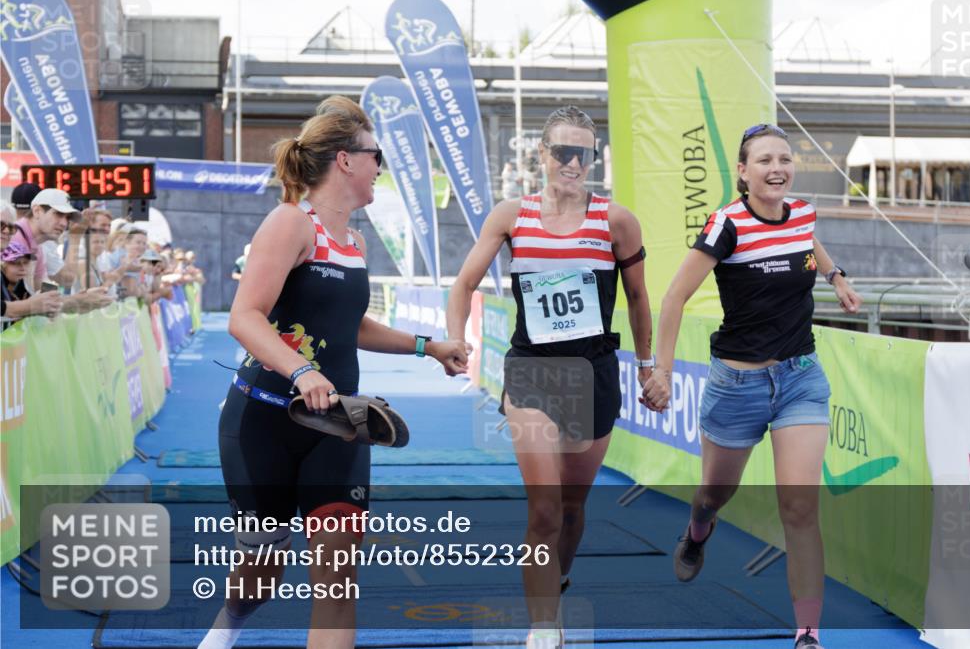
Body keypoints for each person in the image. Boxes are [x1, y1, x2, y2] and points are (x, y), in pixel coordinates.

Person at [200, 95, 469, 649]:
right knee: (259, 577)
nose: (380, 169)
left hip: (340, 425)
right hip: (263, 423)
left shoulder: (355, 240)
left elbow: (349, 325)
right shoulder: (290, 222)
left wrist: (428, 346)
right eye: (377, 157)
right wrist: (301, 371)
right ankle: (226, 628)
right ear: (347, 160)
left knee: (338, 578)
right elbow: (244, 317)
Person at [641, 124, 863, 649]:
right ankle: (697, 531)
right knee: (715, 494)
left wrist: (836, 277)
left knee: (800, 508)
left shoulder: (802, 211)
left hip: (800, 379)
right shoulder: (727, 224)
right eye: (763, 160)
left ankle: (807, 635)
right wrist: (663, 372)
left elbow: (806, 240)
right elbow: (672, 299)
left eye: (784, 158)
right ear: (743, 172)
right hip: (736, 384)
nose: (776, 168)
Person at [446, 106, 653, 649]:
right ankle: (544, 626)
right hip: (532, 371)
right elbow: (464, 282)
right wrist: (455, 341)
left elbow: (637, 299)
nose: (572, 162)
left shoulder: (616, 221)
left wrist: (650, 366)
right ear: (540, 154)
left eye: (582, 153)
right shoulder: (512, 216)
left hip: (593, 372)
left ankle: (555, 585)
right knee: (543, 506)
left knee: (571, 507)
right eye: (562, 151)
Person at [10, 188, 81, 293]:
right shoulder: (13, 238)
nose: (64, 223)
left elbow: (38, 288)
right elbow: (16, 300)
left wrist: (65, 299)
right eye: (58, 214)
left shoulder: (36, 244)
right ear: (36, 211)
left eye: (67, 218)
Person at [1, 242, 62, 327]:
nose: (22, 268)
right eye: (15, 263)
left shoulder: (24, 289)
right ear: (3, 265)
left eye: (26, 263)